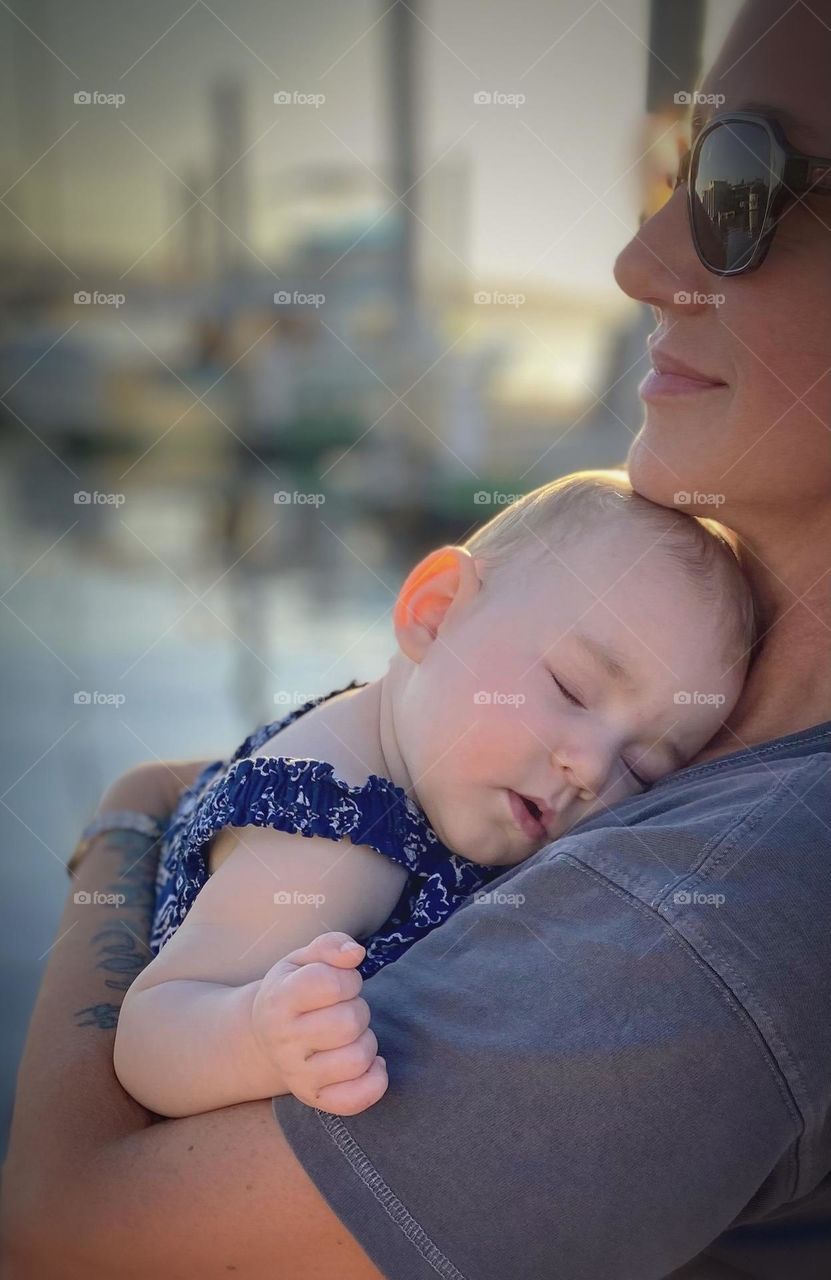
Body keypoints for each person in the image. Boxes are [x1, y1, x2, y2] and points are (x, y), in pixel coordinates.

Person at [3, 1, 831, 1276]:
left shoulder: (717, 926)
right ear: (432, 609)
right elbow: (165, 1027)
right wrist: (250, 1018)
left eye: (742, 186)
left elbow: (65, 1233)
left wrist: (127, 816)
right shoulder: (342, 828)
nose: (639, 257)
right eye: (679, 161)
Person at [112, 471, 754, 1120]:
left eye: (641, 768)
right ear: (436, 612)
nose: (590, 769)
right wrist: (262, 1039)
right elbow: (150, 1034)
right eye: (572, 689)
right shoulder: (331, 841)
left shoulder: (405, 736)